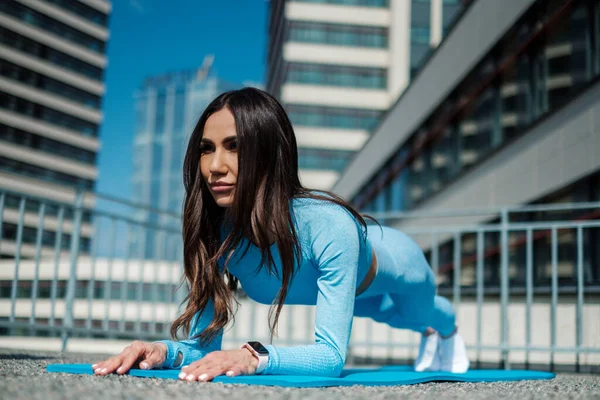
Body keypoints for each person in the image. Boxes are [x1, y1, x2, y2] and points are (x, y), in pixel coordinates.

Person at [92, 87, 469, 381]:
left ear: (269, 154)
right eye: (207, 150)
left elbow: (330, 357)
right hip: (346, 288)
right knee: (387, 316)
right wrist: (161, 351)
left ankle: (445, 332)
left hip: (396, 259)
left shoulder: (329, 224)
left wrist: (252, 356)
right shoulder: (216, 232)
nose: (215, 166)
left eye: (234, 147)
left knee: (416, 313)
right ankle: (431, 333)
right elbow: (198, 347)